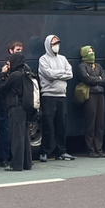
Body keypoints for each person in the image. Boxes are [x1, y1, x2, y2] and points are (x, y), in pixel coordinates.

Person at [38, 34, 73, 162]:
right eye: (53, 44)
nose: (56, 46)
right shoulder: (43, 59)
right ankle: (44, 152)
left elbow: (70, 74)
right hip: (48, 96)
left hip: (62, 96)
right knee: (48, 125)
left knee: (61, 125)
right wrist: (61, 73)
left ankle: (61, 151)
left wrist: (56, 73)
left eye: (57, 43)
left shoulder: (63, 58)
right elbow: (48, 74)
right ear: (48, 45)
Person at [0, 51, 32, 171]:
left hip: (15, 107)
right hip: (25, 107)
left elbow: (2, 87)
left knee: (16, 136)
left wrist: (2, 75)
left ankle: (16, 164)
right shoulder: (25, 72)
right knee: (25, 136)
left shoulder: (14, 75)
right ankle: (27, 163)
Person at [0, 41, 24, 167]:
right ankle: (5, 157)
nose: (20, 52)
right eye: (17, 49)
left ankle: (16, 159)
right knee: (6, 131)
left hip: (15, 104)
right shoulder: (6, 68)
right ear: (11, 50)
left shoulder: (20, 69)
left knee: (16, 133)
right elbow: (0, 88)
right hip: (6, 104)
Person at [77, 46, 105, 158]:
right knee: (91, 122)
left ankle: (99, 148)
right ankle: (90, 149)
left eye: (92, 51)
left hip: (100, 95)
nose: (91, 53)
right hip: (90, 95)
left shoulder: (98, 66)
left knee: (100, 123)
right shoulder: (81, 66)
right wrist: (97, 79)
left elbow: (104, 78)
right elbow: (86, 78)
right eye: (89, 51)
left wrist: (95, 79)